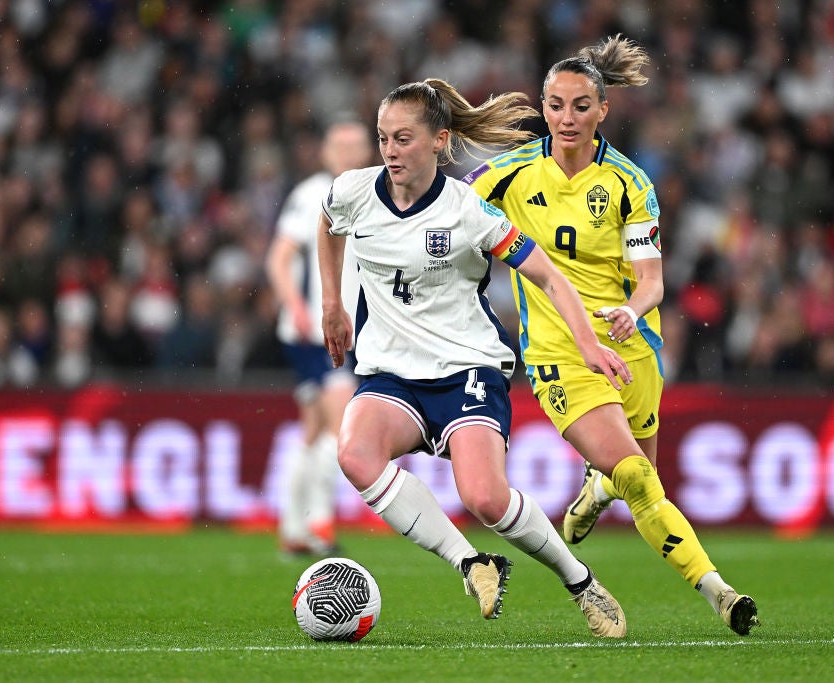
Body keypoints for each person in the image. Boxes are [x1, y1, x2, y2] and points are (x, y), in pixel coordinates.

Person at [317, 79, 634, 638]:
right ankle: (473, 563)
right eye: (383, 138)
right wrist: (331, 303)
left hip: (466, 368)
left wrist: (587, 343)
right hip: (392, 372)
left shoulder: (468, 212)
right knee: (355, 454)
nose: (390, 151)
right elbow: (327, 222)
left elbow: (548, 276)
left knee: (486, 498)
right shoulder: (354, 191)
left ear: (439, 141)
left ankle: (580, 580)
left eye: (404, 139)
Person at [466, 35, 760, 635]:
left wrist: (631, 309)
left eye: (579, 105)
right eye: (554, 105)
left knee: (633, 481)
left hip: (633, 348)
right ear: (542, 108)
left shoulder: (630, 183)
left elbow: (652, 281)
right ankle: (721, 593)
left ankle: (594, 493)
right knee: (638, 476)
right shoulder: (507, 175)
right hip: (558, 354)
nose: (565, 118)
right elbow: (445, 212)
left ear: (603, 109)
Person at [265, 120, 373, 556]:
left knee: (312, 430)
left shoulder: (374, 190)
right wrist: (295, 306)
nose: (347, 152)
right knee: (341, 425)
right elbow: (279, 258)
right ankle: (321, 524)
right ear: (325, 152)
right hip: (317, 331)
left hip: (346, 330)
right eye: (338, 144)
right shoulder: (311, 195)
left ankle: (293, 528)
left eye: (355, 144)